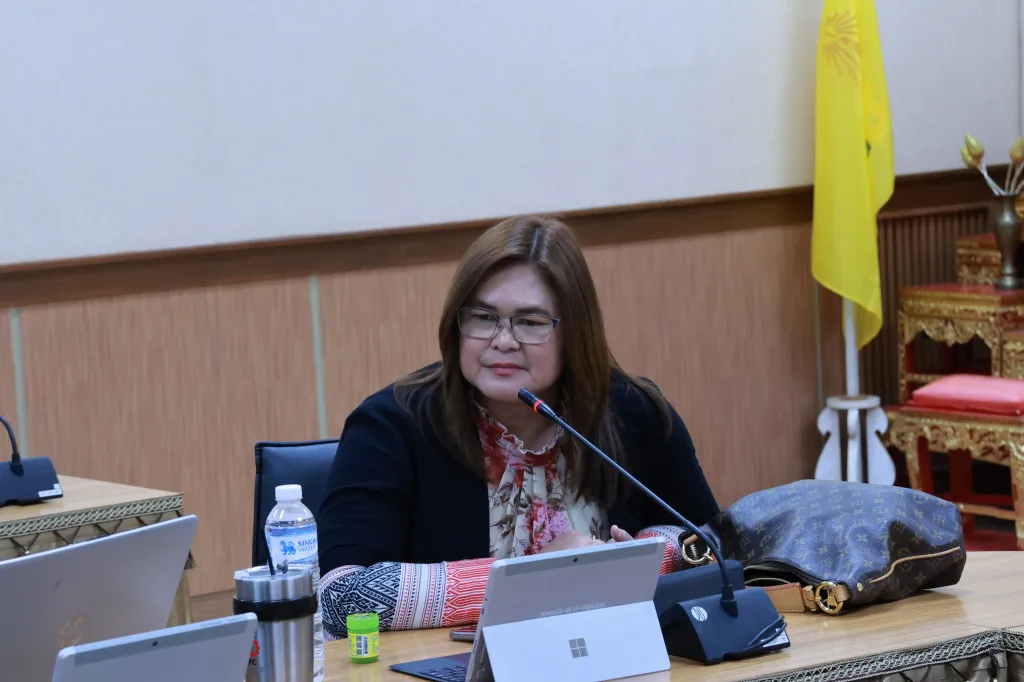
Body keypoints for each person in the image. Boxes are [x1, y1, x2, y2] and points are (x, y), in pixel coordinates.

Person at [316, 215, 718, 639]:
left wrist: (644, 556)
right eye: (483, 317)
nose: (503, 340)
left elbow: (713, 542)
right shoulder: (392, 426)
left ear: (575, 333)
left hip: (612, 655)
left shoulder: (633, 411)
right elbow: (342, 598)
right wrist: (539, 575)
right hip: (452, 665)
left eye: (530, 322)